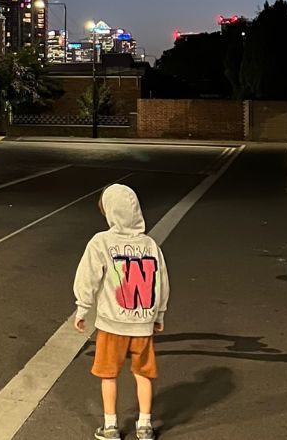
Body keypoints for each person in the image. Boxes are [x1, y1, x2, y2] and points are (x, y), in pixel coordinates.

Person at [73, 184, 169, 440]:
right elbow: (161, 281)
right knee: (143, 373)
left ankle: (111, 425)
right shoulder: (150, 245)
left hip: (112, 323)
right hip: (142, 324)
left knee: (108, 374)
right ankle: (145, 425)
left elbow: (88, 277)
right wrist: (158, 313)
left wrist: (82, 308)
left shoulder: (101, 242)